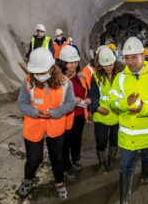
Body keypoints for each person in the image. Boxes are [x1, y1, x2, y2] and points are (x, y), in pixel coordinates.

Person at [109, 37, 148, 203]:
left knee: (147, 158)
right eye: (127, 58)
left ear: (143, 56)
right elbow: (112, 104)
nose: (130, 61)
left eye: (134, 57)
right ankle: (124, 199)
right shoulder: (120, 78)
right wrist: (125, 104)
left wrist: (143, 108)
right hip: (128, 135)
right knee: (125, 166)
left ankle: (145, 175)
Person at [17, 47, 75, 199]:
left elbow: (70, 103)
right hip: (34, 124)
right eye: (37, 72)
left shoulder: (65, 82)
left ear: (51, 67)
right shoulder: (28, 81)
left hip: (55, 125)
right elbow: (22, 103)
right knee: (34, 158)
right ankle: (28, 179)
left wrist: (54, 113)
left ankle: (59, 182)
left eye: (43, 72)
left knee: (57, 157)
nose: (40, 76)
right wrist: (35, 112)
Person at [58, 45, 90, 180]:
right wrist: (72, 101)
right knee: (65, 142)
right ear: (63, 63)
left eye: (75, 62)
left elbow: (87, 90)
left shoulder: (80, 76)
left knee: (77, 139)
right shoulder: (58, 79)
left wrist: (87, 99)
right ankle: (66, 166)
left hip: (79, 114)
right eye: (70, 62)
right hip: (65, 115)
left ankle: (75, 159)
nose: (73, 65)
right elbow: (55, 100)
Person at [88, 46, 123, 171]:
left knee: (114, 141)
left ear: (115, 62)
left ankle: (111, 159)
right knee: (101, 142)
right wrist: (96, 107)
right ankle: (101, 161)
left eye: (110, 64)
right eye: (105, 65)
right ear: (100, 65)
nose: (108, 67)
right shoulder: (96, 77)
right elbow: (93, 94)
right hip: (101, 116)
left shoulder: (121, 76)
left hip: (117, 116)